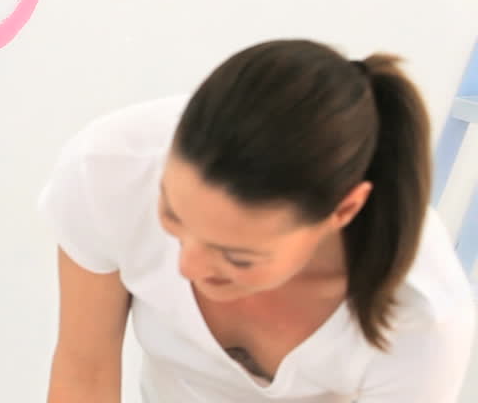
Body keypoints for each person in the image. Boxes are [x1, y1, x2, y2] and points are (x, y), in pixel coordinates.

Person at [40, 39, 475, 402]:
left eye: (237, 257)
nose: (188, 266)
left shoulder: (422, 319)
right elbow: (85, 373)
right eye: (173, 217)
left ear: (343, 211)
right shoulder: (110, 171)